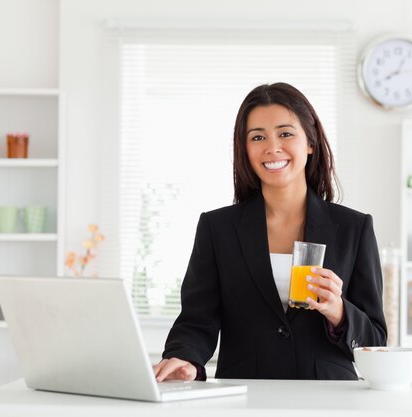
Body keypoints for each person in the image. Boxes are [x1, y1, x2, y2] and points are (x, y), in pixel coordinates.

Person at [153, 82, 387, 381]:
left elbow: (376, 342)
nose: (272, 147)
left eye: (286, 133)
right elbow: (197, 320)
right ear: (245, 148)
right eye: (258, 137)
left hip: (329, 398)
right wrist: (184, 358)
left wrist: (338, 310)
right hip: (245, 395)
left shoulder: (354, 227)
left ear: (310, 142)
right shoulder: (218, 228)